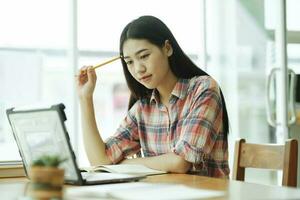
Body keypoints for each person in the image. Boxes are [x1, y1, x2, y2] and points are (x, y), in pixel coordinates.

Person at [76, 15, 230, 178]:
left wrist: (124, 164)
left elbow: (181, 162)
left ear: (167, 48)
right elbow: (100, 160)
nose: (138, 69)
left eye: (144, 56)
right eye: (129, 62)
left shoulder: (203, 88)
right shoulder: (142, 108)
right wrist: (85, 98)